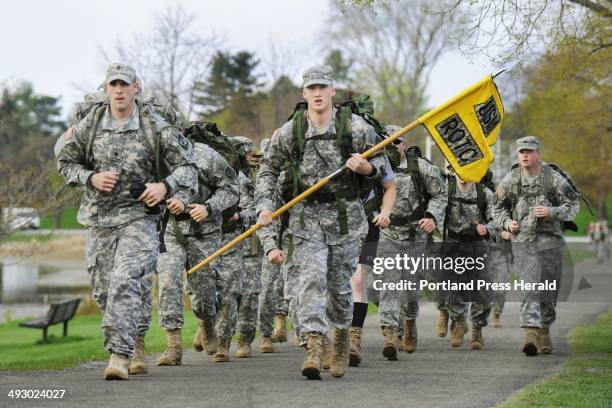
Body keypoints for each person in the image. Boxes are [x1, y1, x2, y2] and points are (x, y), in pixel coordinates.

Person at [57, 63, 197, 380]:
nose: (119, 90)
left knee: (126, 282)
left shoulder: (154, 126)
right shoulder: (89, 126)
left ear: (136, 87)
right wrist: (90, 177)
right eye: (113, 85)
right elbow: (66, 163)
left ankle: (119, 356)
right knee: (105, 291)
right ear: (106, 89)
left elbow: (188, 167)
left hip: (139, 218)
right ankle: (133, 344)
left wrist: (163, 186)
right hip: (98, 218)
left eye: (125, 84)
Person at [255, 65, 386, 380]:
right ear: (304, 93)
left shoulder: (356, 128)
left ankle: (340, 338)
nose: (316, 93)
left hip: (344, 219)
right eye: (311, 88)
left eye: (321, 88)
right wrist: (264, 205)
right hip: (307, 217)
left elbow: (383, 169)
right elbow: (269, 169)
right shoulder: (291, 131)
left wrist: (366, 168)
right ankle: (314, 346)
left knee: (339, 286)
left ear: (332, 91)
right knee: (310, 282)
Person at [154, 138, 239, 367]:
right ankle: (173, 346)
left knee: (204, 293)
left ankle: (206, 323)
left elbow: (231, 189)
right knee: (168, 282)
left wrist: (208, 207)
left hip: (205, 232)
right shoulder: (154, 157)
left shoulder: (206, 155)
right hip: (170, 230)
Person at [493, 135, 579, 356]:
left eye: (529, 151)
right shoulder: (511, 180)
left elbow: (572, 205)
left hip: (550, 243)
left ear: (538, 153)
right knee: (528, 287)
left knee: (548, 291)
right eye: (521, 152)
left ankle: (544, 330)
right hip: (524, 243)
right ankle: (530, 333)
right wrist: (507, 222)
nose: (525, 155)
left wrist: (552, 211)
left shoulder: (554, 179)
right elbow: (497, 208)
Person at [376, 139, 446, 360]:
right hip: (388, 234)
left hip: (415, 235)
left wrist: (431, 216)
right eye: (386, 142)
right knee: (389, 283)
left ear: (404, 144)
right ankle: (390, 334)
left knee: (410, 288)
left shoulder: (420, 167)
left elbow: (440, 194)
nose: (391, 146)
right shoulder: (377, 166)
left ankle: (409, 322)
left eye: (395, 142)